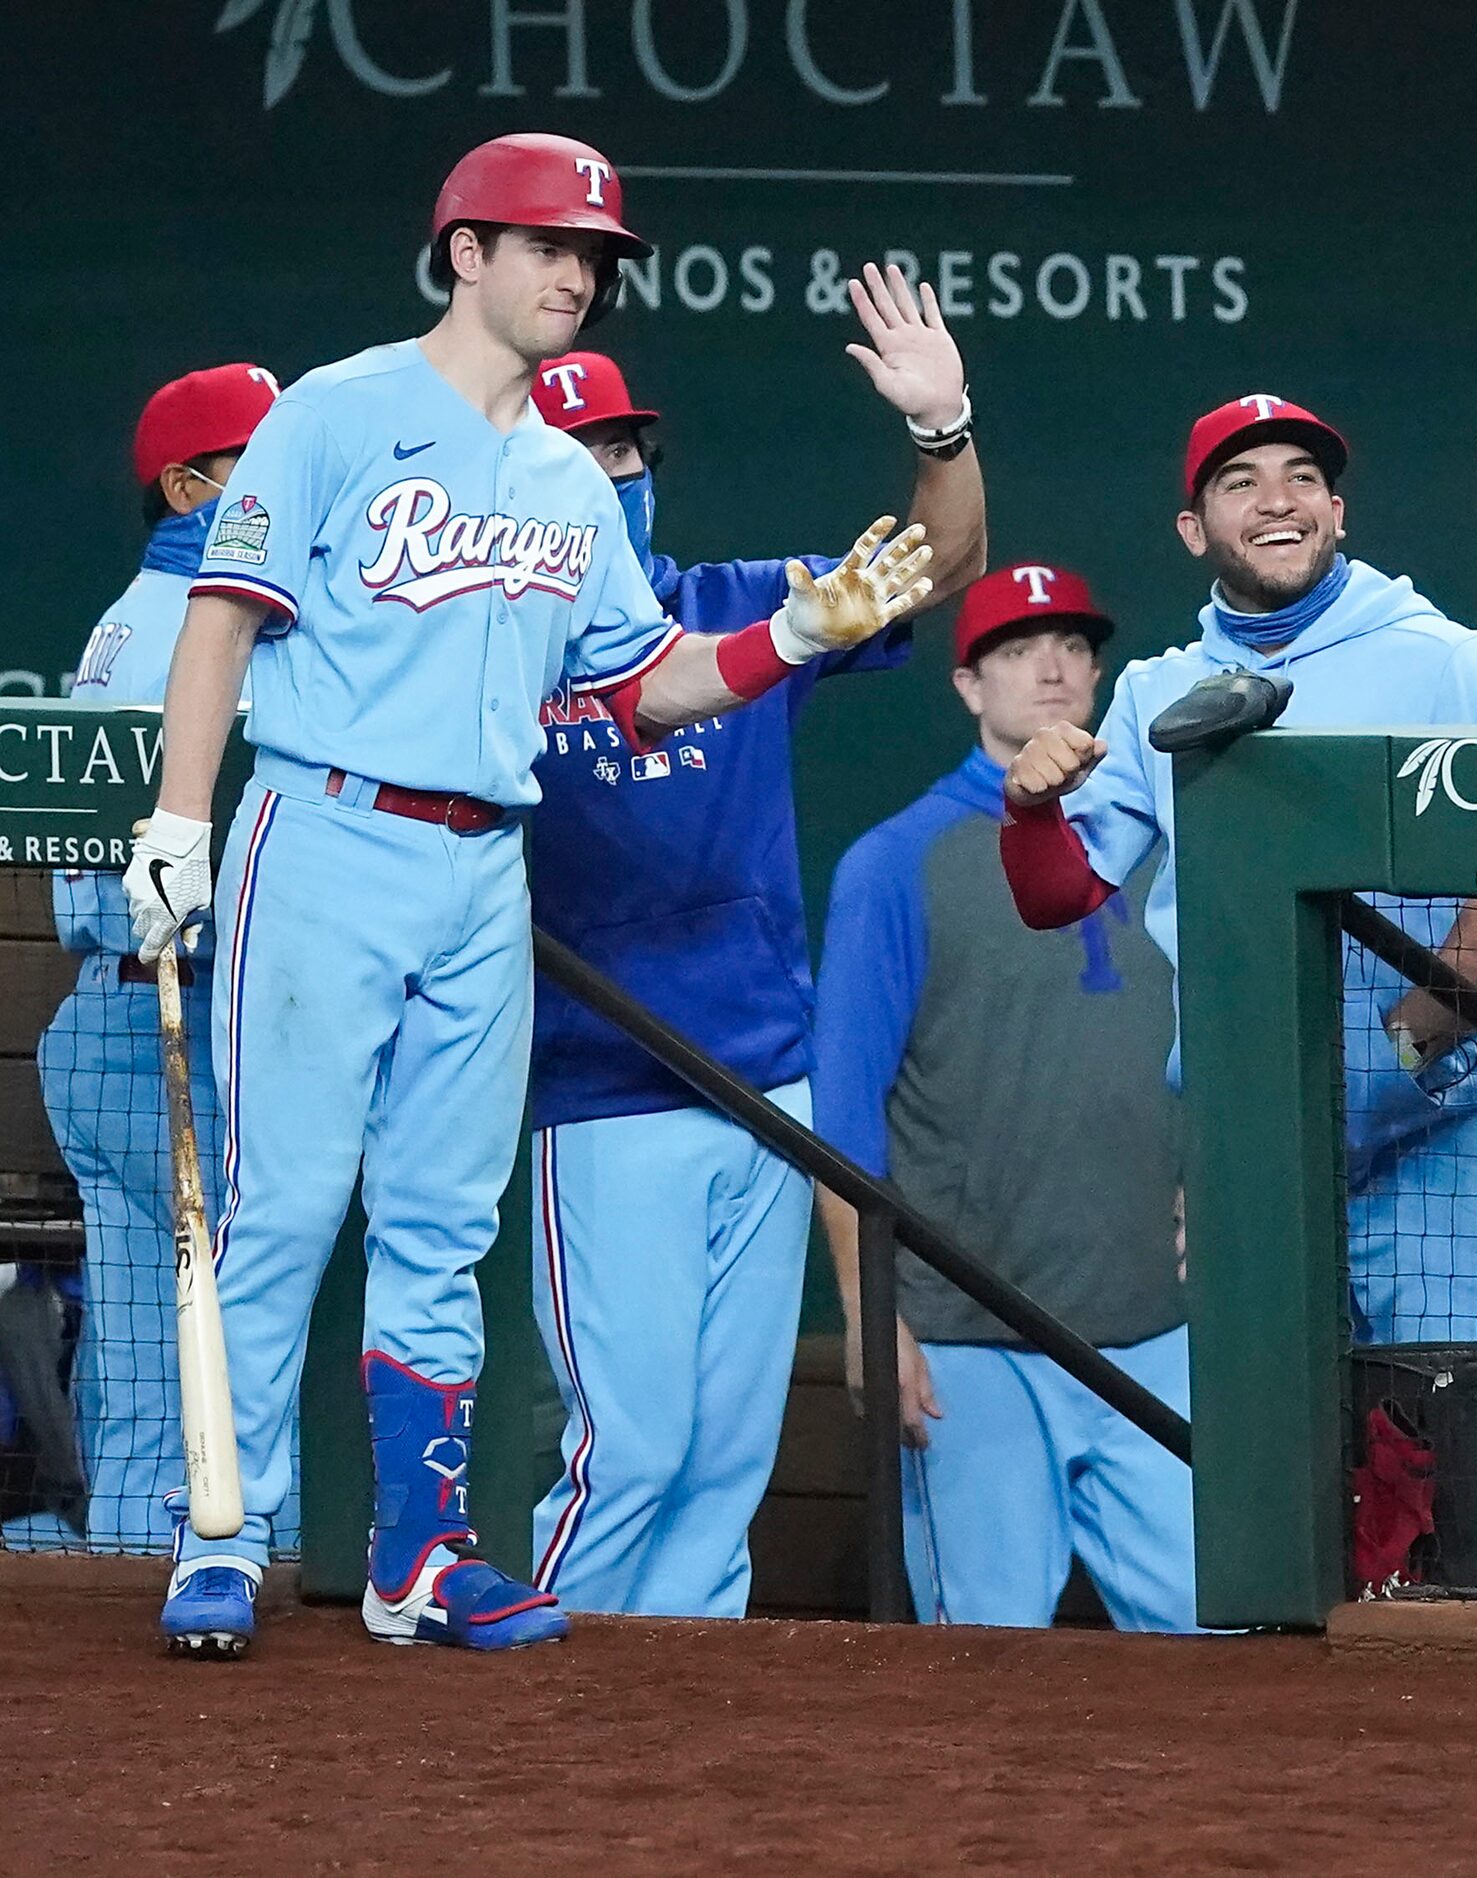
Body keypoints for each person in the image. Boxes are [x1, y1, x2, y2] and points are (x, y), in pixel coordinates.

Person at [123, 132, 932, 1660]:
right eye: (545, 243)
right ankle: (220, 1535)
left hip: (483, 857)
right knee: (285, 1204)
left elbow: (641, 688)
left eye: (594, 253)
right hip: (330, 825)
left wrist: (793, 642)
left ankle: (417, 1557)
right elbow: (225, 615)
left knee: (439, 1222)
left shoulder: (568, 478)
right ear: (464, 254)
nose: (575, 270)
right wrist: (179, 816)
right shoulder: (334, 412)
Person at [520, 276, 983, 1621]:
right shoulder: (485, 649)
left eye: (620, 450)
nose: (609, 474)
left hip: (764, 1087)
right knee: (633, 1448)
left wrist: (943, 425)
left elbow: (935, 565)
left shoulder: (734, 600)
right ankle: (522, 1729)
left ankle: (665, 1751)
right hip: (601, 1090)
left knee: (727, 1461)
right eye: (572, 456)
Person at [994, 395, 1477, 1356]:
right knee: (1280, 1476)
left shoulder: (1438, 656)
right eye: (1240, 482)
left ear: (1339, 512)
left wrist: (1407, 1046)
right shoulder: (1154, 691)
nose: (1277, 500)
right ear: (1193, 528)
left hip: (1430, 1133)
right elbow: (1060, 898)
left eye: (1303, 477)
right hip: (1243, 1133)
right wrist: (1030, 810)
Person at [813, 562, 1197, 1630]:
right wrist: (869, 1311)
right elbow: (841, 1116)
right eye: (1020, 649)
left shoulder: (1159, 843)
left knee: (1224, 1642)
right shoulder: (898, 860)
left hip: (1152, 1328)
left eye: (1074, 646)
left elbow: (1221, 1050)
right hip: (969, 1339)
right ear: (969, 687)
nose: (1054, 666)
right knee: (982, 1659)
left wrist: (1204, 1188)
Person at [11, 366, 277, 1553]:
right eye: (253, 469)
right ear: (188, 484)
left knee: (142, 1360)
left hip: (110, 1024)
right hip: (180, 1022)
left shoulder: (133, 611)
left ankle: (129, 1556)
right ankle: (225, 1566)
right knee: (222, 1343)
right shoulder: (194, 626)